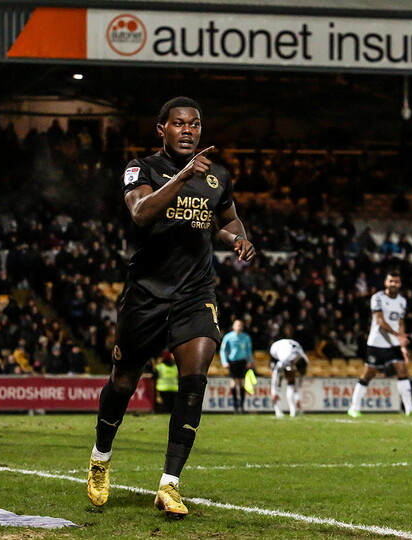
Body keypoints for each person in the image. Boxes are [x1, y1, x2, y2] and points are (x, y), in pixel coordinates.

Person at [86, 96, 255, 517]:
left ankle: (169, 484)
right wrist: (180, 177)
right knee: (123, 383)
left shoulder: (217, 176)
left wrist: (237, 238)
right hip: (145, 294)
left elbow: (226, 220)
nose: (188, 130)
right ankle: (100, 458)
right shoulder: (139, 168)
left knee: (195, 379)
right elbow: (141, 213)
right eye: (179, 123)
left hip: (195, 293)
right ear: (160, 128)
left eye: (195, 124)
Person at [347, 270, 412, 417]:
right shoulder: (378, 298)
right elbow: (380, 321)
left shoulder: (402, 301)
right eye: (391, 281)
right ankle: (353, 407)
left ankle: (409, 409)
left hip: (393, 343)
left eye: (396, 281)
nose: (394, 284)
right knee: (368, 374)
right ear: (385, 283)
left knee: (402, 370)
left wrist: (402, 344)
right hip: (377, 342)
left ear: (400, 284)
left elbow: (400, 322)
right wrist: (397, 335)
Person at [219, 319, 253, 413]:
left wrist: (250, 360)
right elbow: (223, 350)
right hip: (232, 362)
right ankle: (235, 407)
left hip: (242, 362)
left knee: (242, 383)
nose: (239, 327)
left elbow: (249, 350)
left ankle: (241, 406)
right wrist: (224, 362)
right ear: (233, 326)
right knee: (233, 383)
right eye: (237, 325)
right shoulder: (228, 337)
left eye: (241, 325)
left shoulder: (246, 337)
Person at [268, 338, 309, 418]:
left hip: (290, 348)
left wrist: (298, 398)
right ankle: (278, 411)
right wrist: (274, 391)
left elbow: (299, 382)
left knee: (291, 383)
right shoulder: (284, 360)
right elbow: (275, 376)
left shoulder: (304, 361)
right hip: (275, 350)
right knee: (280, 383)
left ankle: (293, 411)